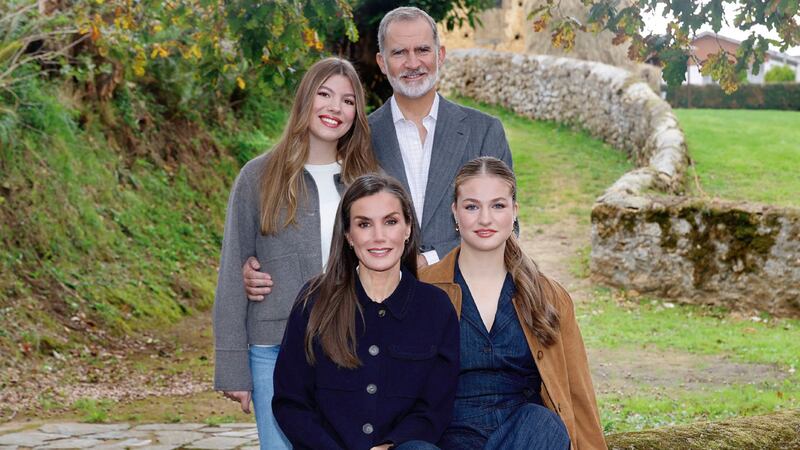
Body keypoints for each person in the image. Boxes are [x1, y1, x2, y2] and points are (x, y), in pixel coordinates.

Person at [243, 6, 513, 302]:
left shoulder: (484, 131)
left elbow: (508, 225)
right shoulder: (356, 137)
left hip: (469, 298)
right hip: (378, 305)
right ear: (382, 62)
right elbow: (322, 207)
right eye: (399, 53)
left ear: (440, 54)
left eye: (422, 50)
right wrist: (264, 260)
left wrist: (431, 260)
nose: (413, 63)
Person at [212, 57, 379, 450]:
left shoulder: (369, 181)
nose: (335, 108)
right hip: (273, 349)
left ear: (357, 113)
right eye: (324, 94)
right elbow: (232, 272)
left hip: (351, 347)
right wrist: (232, 367)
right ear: (305, 99)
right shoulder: (258, 176)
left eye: (348, 101)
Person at [419, 157, 606, 450]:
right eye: (472, 207)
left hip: (526, 439)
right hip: (445, 438)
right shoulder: (422, 290)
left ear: (514, 211)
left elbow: (578, 394)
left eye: (497, 205)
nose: (485, 219)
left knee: (543, 422)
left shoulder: (548, 296)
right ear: (455, 212)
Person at [272, 174, 460, 450]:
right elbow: (291, 402)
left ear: (408, 228)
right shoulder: (314, 301)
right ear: (348, 235)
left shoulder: (436, 308)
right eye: (364, 224)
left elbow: (434, 408)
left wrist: (388, 446)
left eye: (390, 222)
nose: (379, 237)